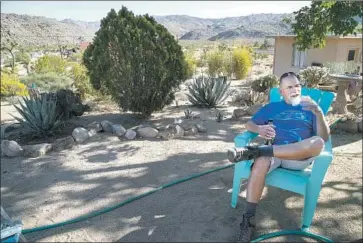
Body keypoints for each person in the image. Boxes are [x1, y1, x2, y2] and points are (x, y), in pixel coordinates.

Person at [227, 72, 330, 242]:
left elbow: (324, 138)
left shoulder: (310, 108)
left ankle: (258, 150)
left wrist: (319, 113)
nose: (295, 89)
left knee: (318, 142)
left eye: (297, 85)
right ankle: (249, 220)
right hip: (275, 154)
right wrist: (259, 130)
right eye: (289, 87)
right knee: (260, 162)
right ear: (281, 91)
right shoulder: (273, 107)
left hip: (298, 157)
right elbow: (249, 124)